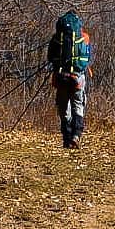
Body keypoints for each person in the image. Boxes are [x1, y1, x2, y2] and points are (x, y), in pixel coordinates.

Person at [47, 10, 92, 149]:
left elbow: (50, 57)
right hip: (77, 78)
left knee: (63, 108)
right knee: (78, 105)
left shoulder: (56, 38)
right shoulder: (84, 37)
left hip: (60, 77)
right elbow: (88, 58)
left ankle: (66, 138)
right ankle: (76, 135)